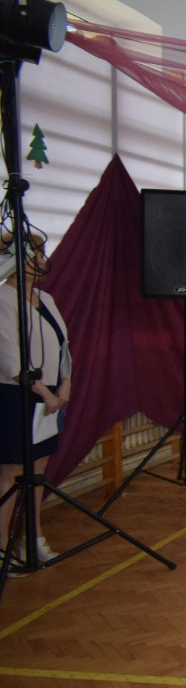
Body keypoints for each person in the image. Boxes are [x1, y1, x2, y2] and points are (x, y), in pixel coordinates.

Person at [0, 232, 70, 568]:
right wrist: (45, 393)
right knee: (12, 473)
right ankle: (2, 549)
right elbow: (11, 360)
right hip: (18, 396)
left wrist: (65, 385)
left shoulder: (46, 299)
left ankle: (32, 539)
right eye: (36, 256)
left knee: (39, 468)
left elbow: (63, 345)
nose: (43, 261)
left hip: (50, 396)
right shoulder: (3, 298)